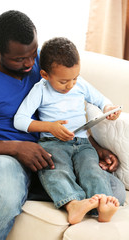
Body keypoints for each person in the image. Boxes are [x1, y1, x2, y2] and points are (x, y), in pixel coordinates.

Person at [0, 10, 125, 240]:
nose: (30, 63)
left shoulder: (44, 62)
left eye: (33, 53)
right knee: (5, 196)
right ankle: (25, 190)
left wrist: (92, 147)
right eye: (20, 59)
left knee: (114, 192)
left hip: (51, 150)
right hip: (4, 154)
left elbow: (65, 111)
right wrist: (15, 148)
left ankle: (54, 192)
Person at [14, 37, 124, 224]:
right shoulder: (40, 90)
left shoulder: (80, 84)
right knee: (56, 170)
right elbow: (20, 120)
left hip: (82, 143)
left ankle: (102, 206)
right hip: (52, 143)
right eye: (64, 81)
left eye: (74, 78)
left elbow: (101, 100)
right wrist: (49, 127)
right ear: (45, 75)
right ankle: (73, 204)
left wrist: (108, 109)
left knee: (92, 170)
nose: (71, 85)